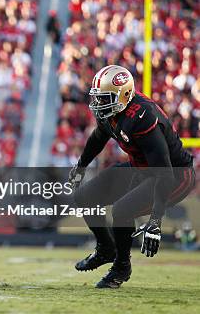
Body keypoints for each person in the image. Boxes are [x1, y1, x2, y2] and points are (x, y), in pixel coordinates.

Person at [68, 65, 195, 288]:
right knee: (84, 198)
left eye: (105, 98)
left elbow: (163, 173)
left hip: (174, 175)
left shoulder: (142, 116)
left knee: (122, 210)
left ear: (124, 95)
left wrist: (155, 222)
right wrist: (81, 166)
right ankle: (106, 249)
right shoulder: (113, 112)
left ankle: (121, 267)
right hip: (142, 169)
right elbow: (99, 137)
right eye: (98, 98)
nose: (99, 104)